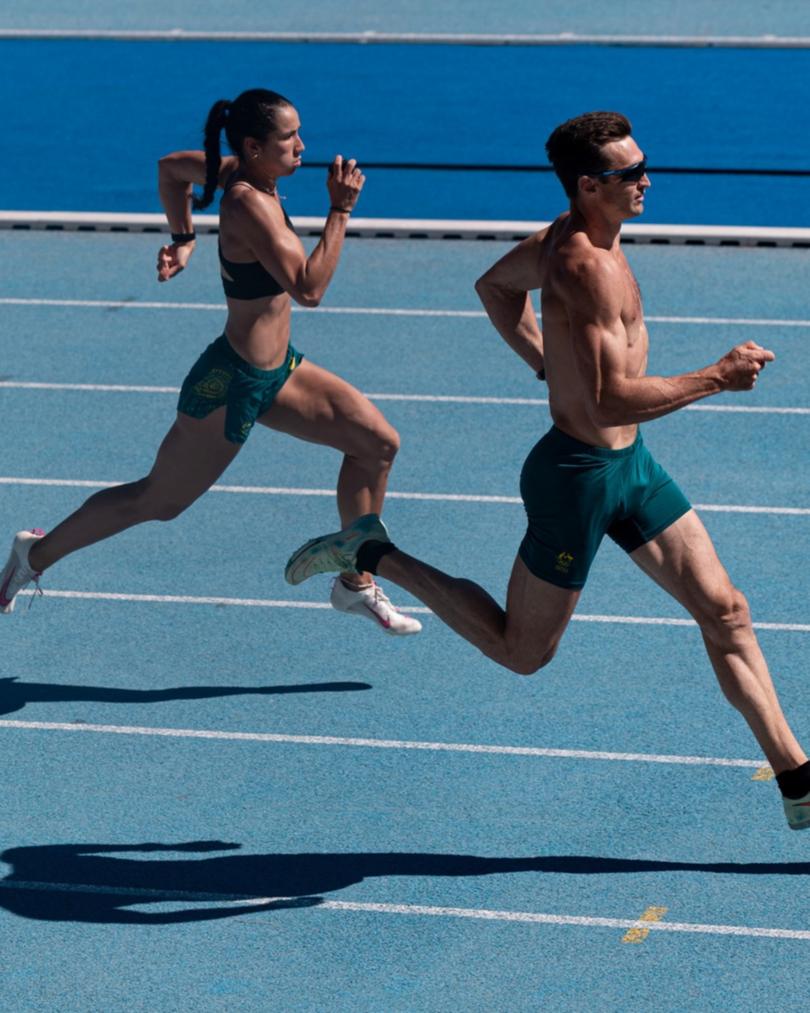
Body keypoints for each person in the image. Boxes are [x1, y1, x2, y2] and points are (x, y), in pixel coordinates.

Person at [284, 110, 810, 828]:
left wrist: (540, 357)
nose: (647, 180)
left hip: (631, 466)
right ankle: (371, 551)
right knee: (522, 650)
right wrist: (717, 376)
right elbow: (607, 396)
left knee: (726, 610)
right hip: (575, 478)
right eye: (632, 173)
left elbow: (494, 288)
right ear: (591, 186)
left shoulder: (575, 235)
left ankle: (798, 781)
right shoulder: (580, 265)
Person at [0, 88, 420, 636]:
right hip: (229, 384)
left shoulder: (234, 171)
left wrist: (183, 238)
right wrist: (340, 209)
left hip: (279, 372)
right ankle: (32, 556)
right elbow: (310, 288)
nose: (302, 145)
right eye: (289, 137)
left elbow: (171, 171)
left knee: (376, 444)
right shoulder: (246, 200)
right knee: (157, 500)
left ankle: (354, 584)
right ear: (253, 146)